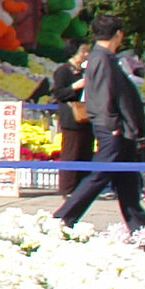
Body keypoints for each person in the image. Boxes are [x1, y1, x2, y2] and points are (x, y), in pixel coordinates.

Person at [56, 16, 145, 235]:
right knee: (99, 175)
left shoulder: (104, 57)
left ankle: (140, 227)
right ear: (118, 34)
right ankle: (62, 218)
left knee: (127, 179)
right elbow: (102, 94)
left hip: (119, 126)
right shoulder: (101, 58)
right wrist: (112, 123)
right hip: (113, 127)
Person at [42, 40, 93, 196]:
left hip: (87, 116)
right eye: (83, 51)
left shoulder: (86, 71)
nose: (86, 54)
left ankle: (83, 187)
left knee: (86, 153)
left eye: (87, 51)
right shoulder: (63, 71)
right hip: (71, 118)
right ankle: (67, 188)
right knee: (71, 153)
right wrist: (74, 87)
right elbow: (58, 93)